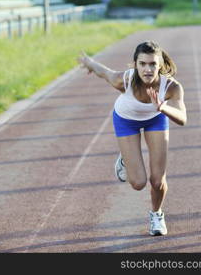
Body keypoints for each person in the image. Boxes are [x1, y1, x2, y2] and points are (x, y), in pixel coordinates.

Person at [78, 41, 187, 236]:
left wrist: (162, 107)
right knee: (138, 183)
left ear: (160, 64)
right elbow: (104, 72)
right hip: (126, 120)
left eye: (153, 64)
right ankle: (126, 159)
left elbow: (183, 118)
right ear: (135, 64)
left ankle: (156, 214)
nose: (147, 69)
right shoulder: (124, 80)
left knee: (157, 180)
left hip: (156, 118)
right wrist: (89, 62)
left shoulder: (171, 87)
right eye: (142, 64)